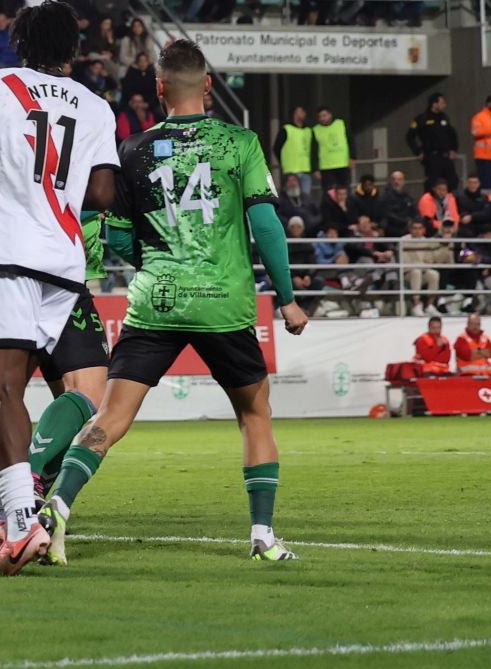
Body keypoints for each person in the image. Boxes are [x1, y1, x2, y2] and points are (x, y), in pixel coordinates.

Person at [38, 40, 307, 565]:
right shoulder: (240, 143)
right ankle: (262, 536)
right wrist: (288, 299)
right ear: (208, 85)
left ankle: (59, 506)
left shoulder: (131, 150)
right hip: (223, 303)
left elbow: (115, 239)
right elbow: (267, 225)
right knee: (255, 413)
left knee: (112, 416)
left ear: (159, 89)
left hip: (155, 299)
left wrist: (160, 262)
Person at [0, 0, 119, 575]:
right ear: (72, 49)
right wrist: (54, 195)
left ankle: (20, 524)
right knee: (73, 388)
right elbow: (104, 194)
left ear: (20, 43)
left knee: (6, 392)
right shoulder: (95, 106)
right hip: (65, 264)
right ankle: (4, 518)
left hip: (10, 258)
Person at [406, 94, 459, 192]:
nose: (444, 105)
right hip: (431, 158)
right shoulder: (422, 118)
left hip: (446, 157)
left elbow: (452, 135)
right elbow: (410, 136)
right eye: (442, 103)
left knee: (452, 183)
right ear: (434, 104)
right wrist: (417, 151)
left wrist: (453, 149)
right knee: (432, 185)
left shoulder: (444, 118)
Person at [273, 105, 314, 200]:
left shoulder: (308, 130)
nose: (303, 114)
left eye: (304, 112)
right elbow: (276, 147)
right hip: (291, 170)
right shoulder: (286, 129)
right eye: (300, 112)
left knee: (306, 198)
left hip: (306, 169)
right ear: (294, 114)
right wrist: (283, 162)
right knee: (291, 197)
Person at [313, 105, 351, 192]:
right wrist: (315, 168)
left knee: (344, 190)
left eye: (324, 115)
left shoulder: (341, 124)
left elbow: (350, 140)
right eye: (320, 117)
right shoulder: (316, 130)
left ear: (330, 115)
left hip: (342, 164)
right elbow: (314, 151)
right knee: (328, 192)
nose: (322, 118)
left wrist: (352, 156)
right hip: (326, 167)